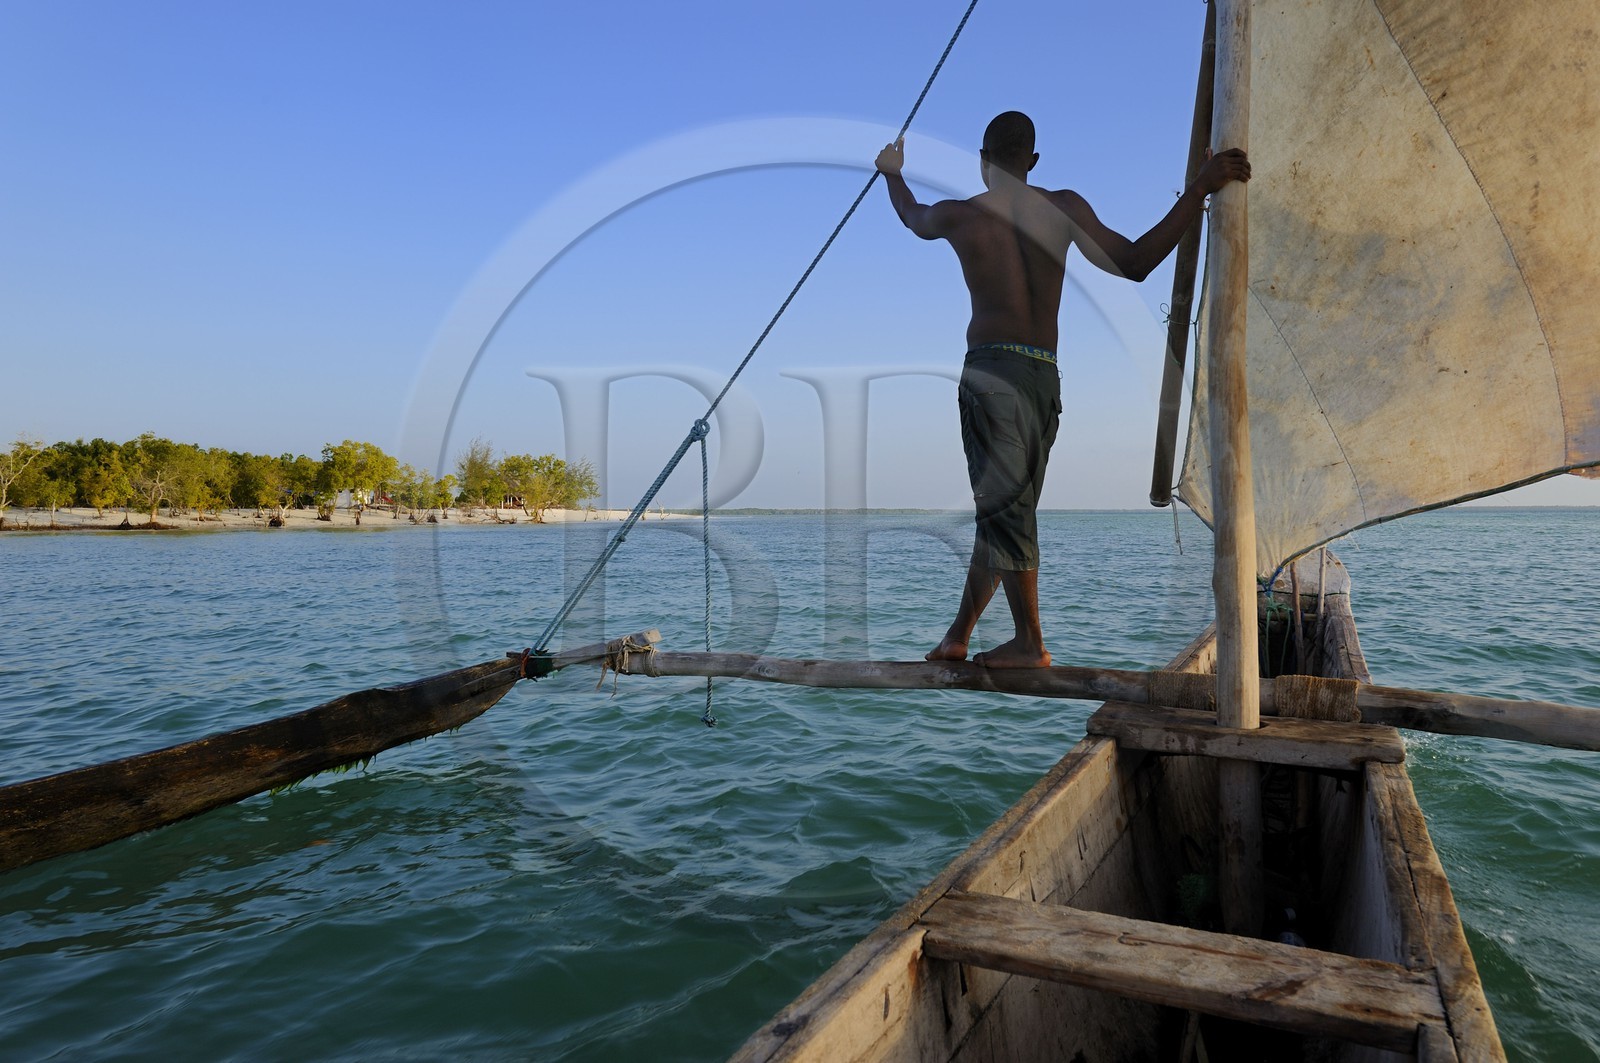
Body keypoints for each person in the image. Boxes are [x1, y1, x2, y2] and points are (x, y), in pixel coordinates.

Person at [875, 111, 1249, 668]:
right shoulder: (1063, 207)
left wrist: (892, 174)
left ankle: (1029, 644)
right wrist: (1197, 190)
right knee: (1009, 508)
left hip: (990, 372)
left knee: (1005, 508)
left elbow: (912, 217)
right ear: (1032, 162)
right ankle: (958, 635)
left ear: (982, 162)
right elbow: (1135, 262)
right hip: (1043, 374)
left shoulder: (961, 215)